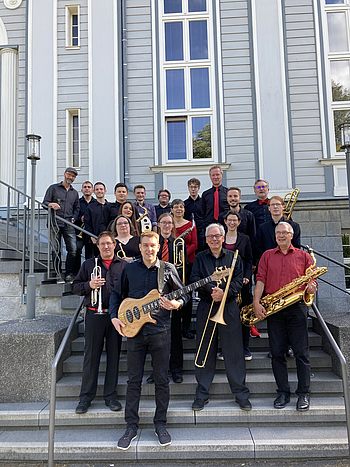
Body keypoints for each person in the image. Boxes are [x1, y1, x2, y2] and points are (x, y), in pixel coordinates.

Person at [110, 231, 189, 450]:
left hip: (160, 331)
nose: (149, 249)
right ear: (141, 247)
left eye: (152, 245)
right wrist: (114, 317)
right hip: (134, 332)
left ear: (157, 247)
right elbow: (117, 295)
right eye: (145, 245)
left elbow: (185, 294)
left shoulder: (168, 269)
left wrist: (177, 304)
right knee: (133, 380)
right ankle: (131, 427)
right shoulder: (130, 268)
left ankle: (160, 424)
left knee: (162, 380)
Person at [253, 222, 317, 411]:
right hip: (275, 309)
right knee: (277, 352)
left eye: (285, 232)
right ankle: (283, 392)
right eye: (278, 232)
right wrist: (256, 303)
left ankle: (303, 394)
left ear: (291, 235)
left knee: (301, 353)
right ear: (275, 236)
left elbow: (311, 282)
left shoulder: (304, 256)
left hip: (297, 307)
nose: (281, 235)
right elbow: (260, 280)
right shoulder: (266, 255)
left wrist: (311, 287)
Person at [190, 223, 251, 412]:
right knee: (205, 350)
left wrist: (224, 293)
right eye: (211, 237)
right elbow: (194, 279)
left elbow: (239, 280)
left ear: (223, 238)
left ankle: (241, 393)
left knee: (234, 351)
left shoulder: (234, 257)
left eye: (217, 236)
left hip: (229, 307)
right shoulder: (200, 258)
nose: (214, 239)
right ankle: (202, 393)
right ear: (206, 239)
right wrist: (212, 291)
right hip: (207, 306)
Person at [73, 231, 125, 414]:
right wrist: (89, 285)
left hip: (116, 318)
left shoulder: (123, 266)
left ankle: (111, 396)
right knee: (91, 357)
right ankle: (85, 398)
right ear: (98, 246)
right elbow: (75, 287)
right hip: (94, 315)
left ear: (114, 244)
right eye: (102, 244)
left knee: (113, 356)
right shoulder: (89, 265)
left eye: (109, 243)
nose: (106, 246)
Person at [222, 211, 253, 360]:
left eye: (235, 220)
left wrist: (247, 276)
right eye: (230, 220)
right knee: (225, 316)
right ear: (225, 221)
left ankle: (245, 348)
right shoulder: (220, 238)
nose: (232, 222)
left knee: (243, 316)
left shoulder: (245, 239)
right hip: (223, 283)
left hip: (242, 282)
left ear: (239, 222)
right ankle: (225, 349)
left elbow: (249, 260)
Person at [43, 167, 80, 282]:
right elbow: (44, 203)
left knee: (73, 250)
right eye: (69, 175)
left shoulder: (75, 193)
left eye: (73, 176)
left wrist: (74, 218)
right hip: (55, 222)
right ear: (64, 174)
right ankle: (58, 274)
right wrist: (51, 205)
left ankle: (69, 274)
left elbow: (77, 208)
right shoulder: (53, 188)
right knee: (56, 249)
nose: (71, 177)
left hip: (69, 223)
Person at [172, 198, 197, 339]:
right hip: (172, 266)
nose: (179, 209)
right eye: (176, 207)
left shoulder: (190, 225)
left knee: (186, 295)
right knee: (173, 295)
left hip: (187, 264)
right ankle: (175, 327)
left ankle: (186, 328)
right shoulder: (169, 224)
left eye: (181, 207)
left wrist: (180, 255)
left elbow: (194, 244)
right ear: (172, 209)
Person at [254, 195, 301, 267]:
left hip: (288, 263)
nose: (275, 207)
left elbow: (296, 247)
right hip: (269, 264)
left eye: (278, 204)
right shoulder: (262, 228)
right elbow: (258, 249)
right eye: (272, 205)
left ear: (283, 207)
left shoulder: (294, 226)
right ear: (269, 208)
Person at [84, 182, 112, 254]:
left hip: (109, 239)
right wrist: (91, 236)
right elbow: (87, 223)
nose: (99, 191)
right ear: (94, 191)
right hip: (94, 239)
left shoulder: (110, 207)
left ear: (105, 191)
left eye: (101, 189)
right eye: (97, 189)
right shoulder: (90, 207)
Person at [76, 181, 96, 268]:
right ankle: (76, 272)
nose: (87, 189)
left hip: (90, 233)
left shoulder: (96, 203)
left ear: (92, 190)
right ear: (82, 190)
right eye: (85, 187)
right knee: (76, 251)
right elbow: (74, 214)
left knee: (90, 253)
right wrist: (80, 218)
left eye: (89, 187)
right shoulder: (77, 202)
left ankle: (89, 271)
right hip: (79, 232)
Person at [184, 177, 204, 250]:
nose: (193, 189)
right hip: (189, 232)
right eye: (191, 187)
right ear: (188, 188)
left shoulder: (203, 202)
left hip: (201, 232)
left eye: (195, 187)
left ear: (198, 188)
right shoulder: (184, 204)